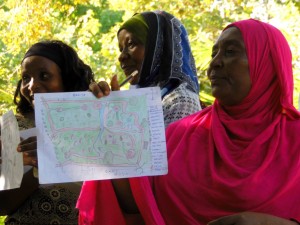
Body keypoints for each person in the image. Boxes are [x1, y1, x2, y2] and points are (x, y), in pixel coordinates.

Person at [77, 18, 300, 225]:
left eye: (230, 52)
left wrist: (270, 223)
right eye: (214, 53)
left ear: (268, 63)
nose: (215, 63)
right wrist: (111, 128)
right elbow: (136, 207)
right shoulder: (181, 134)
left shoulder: (295, 140)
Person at [77, 10, 201, 224]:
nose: (122, 56)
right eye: (120, 48)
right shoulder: (134, 99)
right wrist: (101, 112)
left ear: (158, 46)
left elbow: (163, 185)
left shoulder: (180, 101)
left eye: (131, 44)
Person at [0, 40, 97, 225]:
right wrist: (41, 165)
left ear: (66, 78)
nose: (32, 85)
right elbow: (3, 205)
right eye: (26, 78)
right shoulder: (12, 126)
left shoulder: (90, 120)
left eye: (44, 76)